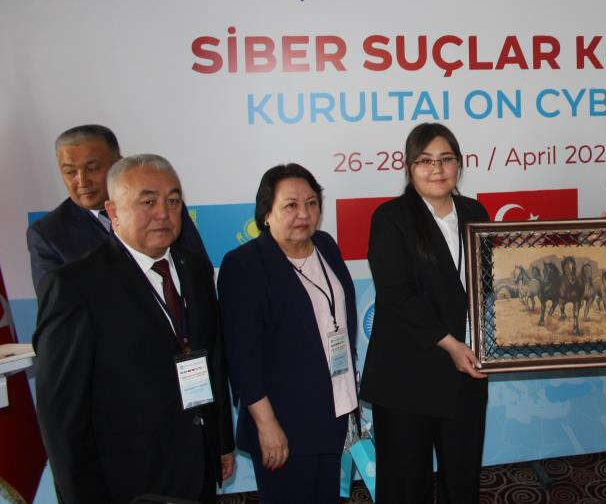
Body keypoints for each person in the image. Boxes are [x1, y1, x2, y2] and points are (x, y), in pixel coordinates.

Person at [33, 154, 234, 504]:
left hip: (197, 467)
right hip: (127, 483)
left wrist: (221, 442)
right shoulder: (75, 287)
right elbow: (62, 416)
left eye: (173, 201)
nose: (163, 213)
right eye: (148, 202)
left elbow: (211, 358)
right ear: (112, 212)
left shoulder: (195, 269)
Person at [360, 122, 489, 504]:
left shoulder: (475, 211)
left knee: (462, 482)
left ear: (459, 164)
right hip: (407, 376)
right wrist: (450, 344)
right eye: (425, 160)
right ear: (409, 167)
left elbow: (493, 278)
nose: (437, 169)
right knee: (405, 487)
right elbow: (398, 295)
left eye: (446, 159)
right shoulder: (390, 217)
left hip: (465, 372)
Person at [218, 163, 359, 503]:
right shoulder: (244, 264)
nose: (304, 214)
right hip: (283, 422)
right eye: (291, 205)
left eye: (311, 203)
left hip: (333, 411)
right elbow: (242, 357)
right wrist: (266, 425)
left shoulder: (325, 245)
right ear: (266, 213)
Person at [26, 124, 207, 295]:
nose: (82, 181)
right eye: (70, 172)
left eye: (93, 168)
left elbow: (199, 274)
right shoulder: (48, 234)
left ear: (119, 163)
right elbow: (59, 304)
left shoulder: (166, 207)